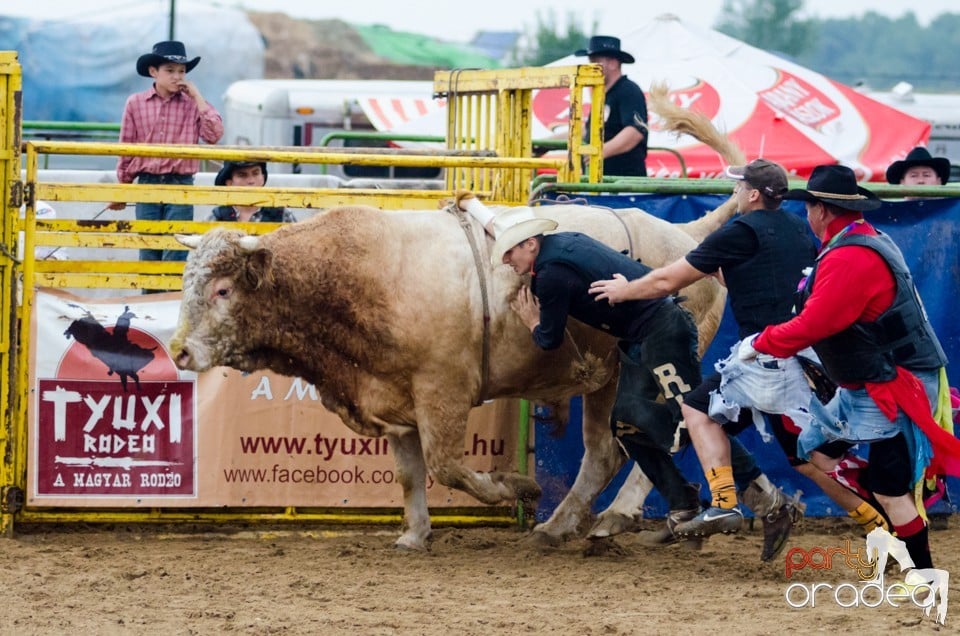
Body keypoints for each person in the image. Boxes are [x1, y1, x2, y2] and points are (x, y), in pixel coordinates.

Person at [589, 159, 888, 560]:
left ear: (751, 194)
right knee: (808, 459)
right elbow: (765, 277)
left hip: (770, 361)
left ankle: (724, 503)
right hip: (811, 360)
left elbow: (666, 281)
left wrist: (625, 291)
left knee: (697, 410)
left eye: (737, 188)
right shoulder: (799, 228)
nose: (733, 195)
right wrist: (718, 271)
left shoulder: (740, 230)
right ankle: (883, 528)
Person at [460, 194, 796, 550]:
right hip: (646, 334)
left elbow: (549, 339)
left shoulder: (550, 276)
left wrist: (531, 320)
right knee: (627, 425)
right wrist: (472, 206)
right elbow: (502, 229)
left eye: (510, 253)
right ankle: (683, 502)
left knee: (689, 420)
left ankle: (769, 501)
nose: (506, 260)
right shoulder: (563, 242)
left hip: (661, 333)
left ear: (530, 245)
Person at [747, 164, 958, 572]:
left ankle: (922, 572)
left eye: (809, 207)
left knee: (889, 489)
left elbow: (815, 324)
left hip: (894, 385)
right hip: (871, 381)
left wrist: (759, 343)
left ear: (822, 211)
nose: (807, 215)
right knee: (816, 450)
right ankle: (894, 512)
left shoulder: (852, 256)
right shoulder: (860, 241)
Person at [109, 41, 224, 261]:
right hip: (147, 183)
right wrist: (123, 189)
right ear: (154, 72)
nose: (177, 76)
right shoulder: (135, 103)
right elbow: (126, 148)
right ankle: (149, 296)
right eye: (169, 70)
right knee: (148, 248)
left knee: (176, 249)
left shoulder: (193, 104)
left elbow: (214, 134)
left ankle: (170, 296)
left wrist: (197, 96)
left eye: (181, 71)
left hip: (180, 183)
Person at [574, 36, 648, 177]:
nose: (590, 67)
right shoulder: (602, 95)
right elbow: (586, 131)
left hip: (624, 185)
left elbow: (635, 132)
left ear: (613, 63)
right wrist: (546, 144)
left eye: (595, 62)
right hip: (603, 182)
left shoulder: (628, 90)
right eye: (590, 62)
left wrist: (600, 152)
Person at [208, 161, 296, 223]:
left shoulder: (282, 214)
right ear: (229, 183)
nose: (251, 181)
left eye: (255, 173)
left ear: (263, 178)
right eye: (242, 175)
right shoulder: (218, 216)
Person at [886, 146, 951, 188]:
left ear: (938, 181)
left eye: (926, 175)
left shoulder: (953, 208)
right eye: (913, 175)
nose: (920, 181)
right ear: (902, 182)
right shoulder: (892, 209)